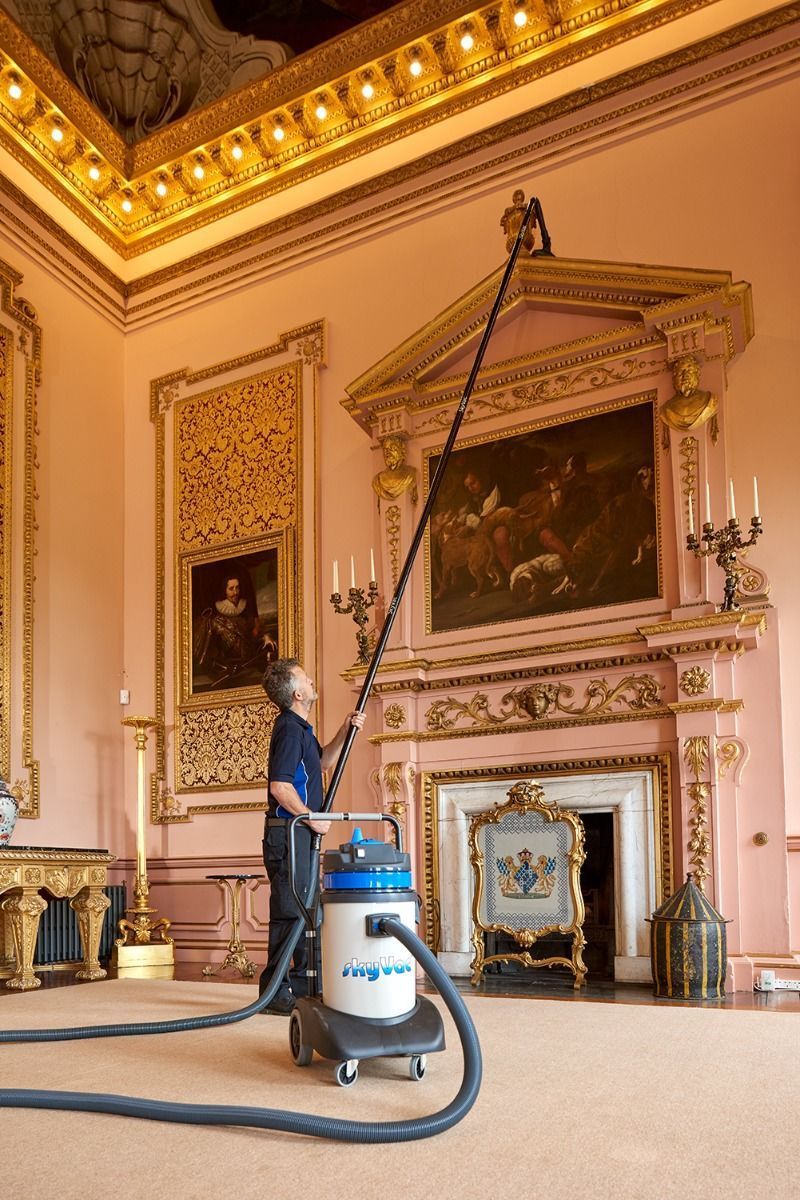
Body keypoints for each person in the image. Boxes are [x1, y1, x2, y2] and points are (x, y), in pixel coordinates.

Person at [258, 658, 365, 1014]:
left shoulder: (301, 730)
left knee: (306, 913)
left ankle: (303, 986)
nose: (311, 680)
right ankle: (274, 993)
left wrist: (345, 730)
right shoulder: (289, 730)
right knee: (290, 912)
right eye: (304, 678)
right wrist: (311, 817)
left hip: (300, 832)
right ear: (297, 693)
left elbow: (323, 762)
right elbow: (280, 786)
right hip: (289, 832)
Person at [192, 574, 277, 690]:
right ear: (225, 591)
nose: (235, 592)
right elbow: (209, 653)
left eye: (237, 588)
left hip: (248, 666)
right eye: (231, 589)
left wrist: (266, 637)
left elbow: (256, 633)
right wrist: (223, 667)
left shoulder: (246, 610)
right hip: (228, 670)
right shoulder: (215, 619)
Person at [660, 354, 718, 440]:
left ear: (697, 374)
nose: (685, 375)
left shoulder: (709, 400)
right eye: (681, 372)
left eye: (689, 371)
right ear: (674, 378)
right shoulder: (666, 409)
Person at [371, 435, 418, 508]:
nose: (387, 452)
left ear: (402, 451)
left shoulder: (410, 474)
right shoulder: (377, 480)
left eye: (392, 448)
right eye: (385, 449)